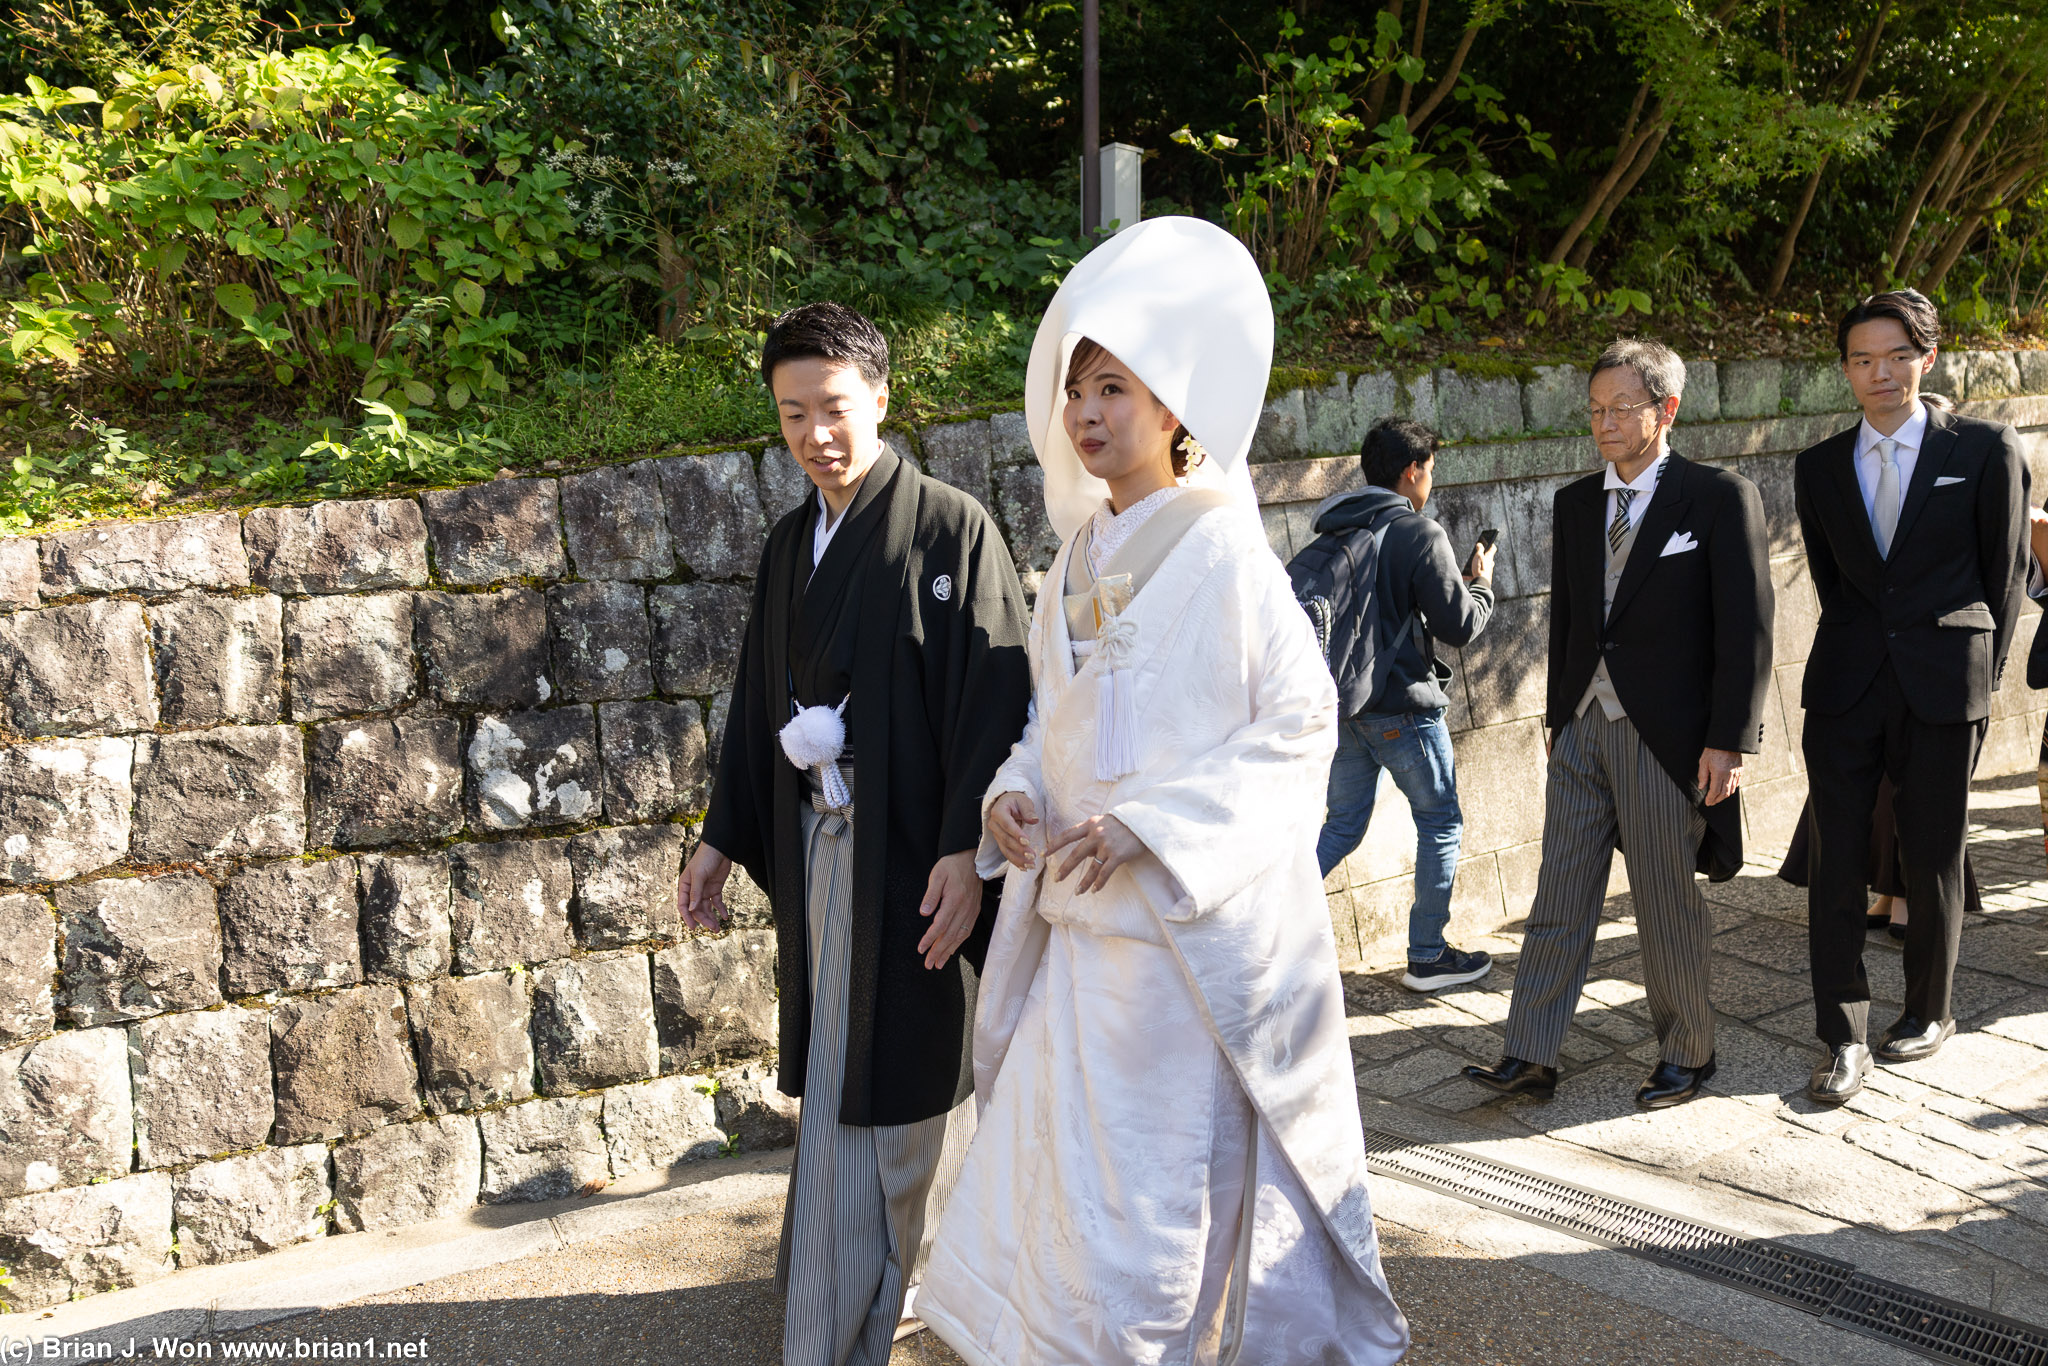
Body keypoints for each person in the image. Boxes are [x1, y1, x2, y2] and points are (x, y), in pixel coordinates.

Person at [917, 217, 1409, 1365]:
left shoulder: (1227, 550)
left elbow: (1299, 726)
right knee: (1060, 1198)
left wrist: (1150, 824)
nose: (1087, 413)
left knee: (1156, 1217)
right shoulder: (1073, 563)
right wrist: (1012, 797)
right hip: (1081, 946)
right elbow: (1050, 723)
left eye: (1115, 387)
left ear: (1172, 400)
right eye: (1075, 388)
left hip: (1184, 955)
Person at [676, 301, 1031, 1365]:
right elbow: (754, 701)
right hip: (823, 844)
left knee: (911, 1078)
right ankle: (889, 1295)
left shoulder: (949, 527)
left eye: (832, 408)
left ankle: (867, 1315)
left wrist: (968, 857)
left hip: (915, 857)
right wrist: (719, 838)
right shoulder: (793, 542)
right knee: (856, 1076)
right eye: (791, 415)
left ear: (879, 397)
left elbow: (997, 698)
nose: (815, 434)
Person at [1465, 339, 1773, 1111]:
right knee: (1559, 894)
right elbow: (1569, 619)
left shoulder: (1717, 496)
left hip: (1668, 737)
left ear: (1666, 410)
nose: (1603, 423)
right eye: (1595, 409)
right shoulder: (1576, 503)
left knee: (1665, 902)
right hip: (1581, 725)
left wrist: (1729, 739)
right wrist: (1555, 717)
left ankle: (1688, 1052)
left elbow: (1748, 628)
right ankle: (1530, 1052)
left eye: (1620, 408)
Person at [1796, 289, 2027, 1106]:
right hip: (1846, 685)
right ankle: (1842, 1033)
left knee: (1932, 852)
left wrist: (1982, 679)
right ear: (1847, 370)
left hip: (1945, 679)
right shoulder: (1818, 466)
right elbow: (1835, 582)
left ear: (1927, 358)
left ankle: (1929, 1012)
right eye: (1862, 359)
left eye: (1897, 356)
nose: (1880, 373)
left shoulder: (1988, 448)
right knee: (1836, 862)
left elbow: (2004, 577)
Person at [1308, 416, 1498, 991]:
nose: (1430, 482)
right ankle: (1428, 954)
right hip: (1403, 711)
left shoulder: (1338, 529)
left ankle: (1261, 920)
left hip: (1346, 708)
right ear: (1413, 471)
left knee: (1340, 827)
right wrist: (1482, 585)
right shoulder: (1420, 533)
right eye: (1430, 470)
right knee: (1440, 820)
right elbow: (1460, 626)